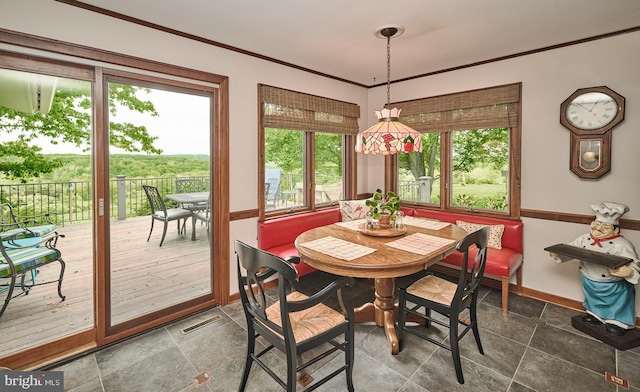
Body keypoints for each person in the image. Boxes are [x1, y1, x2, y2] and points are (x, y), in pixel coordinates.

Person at [550, 202, 640, 336]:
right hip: (589, 278)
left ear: (615, 230)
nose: (598, 228)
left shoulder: (622, 244)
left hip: (612, 284)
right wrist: (558, 253)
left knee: (617, 302)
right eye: (597, 224)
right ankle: (595, 315)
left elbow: (634, 263)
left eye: (605, 226)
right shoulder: (584, 239)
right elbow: (571, 249)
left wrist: (629, 271)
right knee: (592, 298)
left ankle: (616, 322)